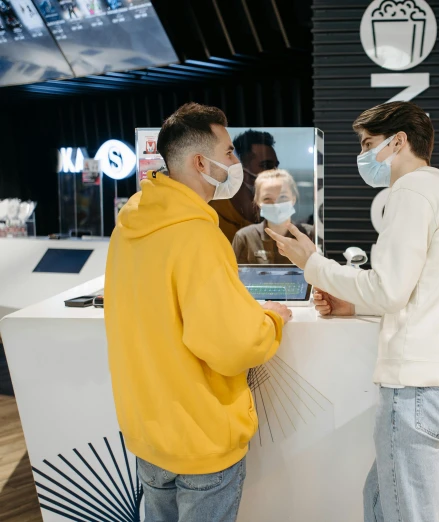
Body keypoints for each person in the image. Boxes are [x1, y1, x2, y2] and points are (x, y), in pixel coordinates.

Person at [266, 101, 439, 522]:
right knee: (383, 501)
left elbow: (388, 288)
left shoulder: (410, 191)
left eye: (369, 144)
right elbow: (416, 286)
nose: (363, 156)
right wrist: (351, 301)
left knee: (402, 511)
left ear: (398, 141)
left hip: (417, 386)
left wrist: (313, 263)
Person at [104, 102, 292, 522]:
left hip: (148, 431)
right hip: (200, 436)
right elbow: (232, 346)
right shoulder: (196, 235)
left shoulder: (129, 226)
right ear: (199, 162)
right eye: (228, 153)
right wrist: (273, 321)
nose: (235, 163)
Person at [232, 168, 314, 264]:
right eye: (267, 198)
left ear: (293, 199)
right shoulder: (245, 237)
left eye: (283, 197)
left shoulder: (310, 234)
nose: (276, 204)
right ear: (258, 202)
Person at [211, 130, 279, 243]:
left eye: (276, 166)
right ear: (240, 168)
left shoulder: (273, 214)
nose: (275, 173)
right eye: (266, 165)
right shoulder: (214, 215)